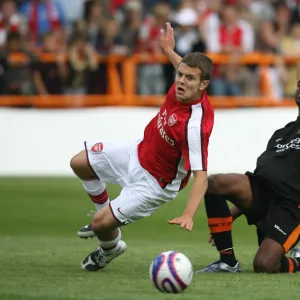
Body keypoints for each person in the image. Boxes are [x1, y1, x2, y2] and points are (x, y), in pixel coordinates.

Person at [70, 22, 215, 271]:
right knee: (79, 163)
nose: (181, 81)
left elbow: (201, 176)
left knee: (99, 225)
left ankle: (109, 248)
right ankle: (108, 217)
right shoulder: (186, 83)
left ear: (203, 85)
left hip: (155, 184)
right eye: (180, 74)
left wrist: (189, 214)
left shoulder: (194, 126)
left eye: (189, 78)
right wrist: (169, 51)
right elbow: (185, 68)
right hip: (138, 150)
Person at [196, 80, 300, 273]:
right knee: (215, 183)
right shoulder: (282, 133)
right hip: (265, 195)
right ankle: (227, 262)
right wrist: (232, 214)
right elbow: (263, 177)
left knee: (264, 264)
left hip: (291, 208)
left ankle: (298, 262)